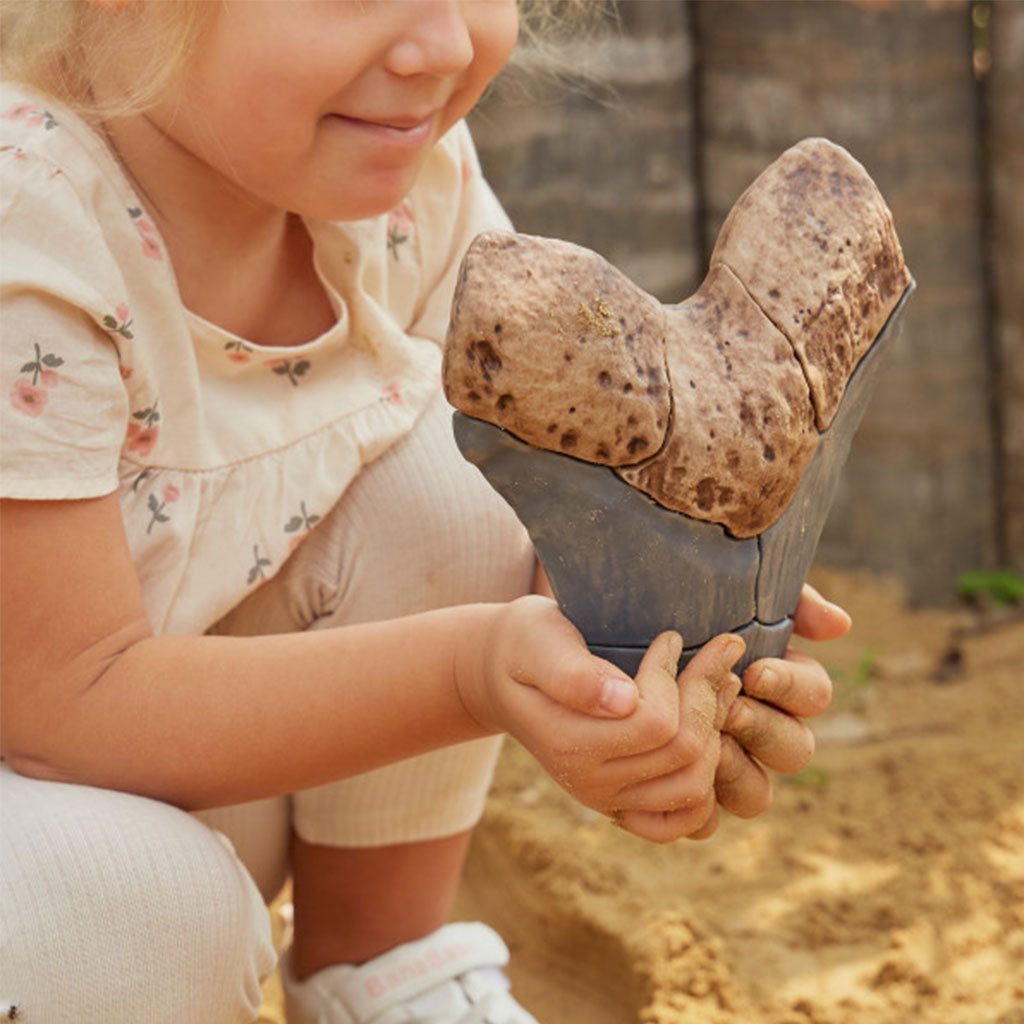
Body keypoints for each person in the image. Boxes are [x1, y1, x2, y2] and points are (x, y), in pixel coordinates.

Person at [0, 2, 849, 1022]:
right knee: (145, 913)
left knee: (485, 488)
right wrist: (473, 671)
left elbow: (538, 524)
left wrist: (655, 633)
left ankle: (381, 971)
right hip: (50, 823)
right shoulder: (29, 215)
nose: (443, 46)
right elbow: (66, 703)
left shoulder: (390, 176)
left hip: (173, 763)